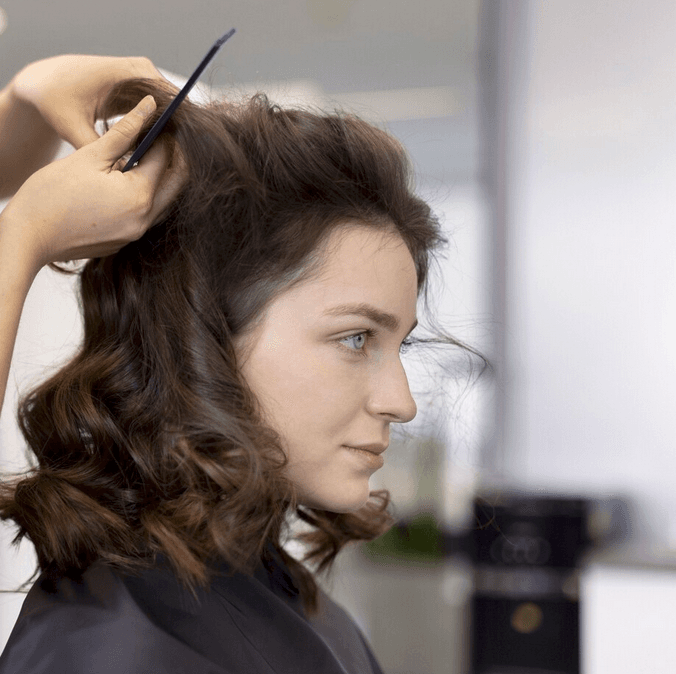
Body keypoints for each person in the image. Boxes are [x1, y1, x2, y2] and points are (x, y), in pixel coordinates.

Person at [0, 55, 487, 673]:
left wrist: (23, 101)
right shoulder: (116, 649)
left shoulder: (292, 608)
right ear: (202, 339)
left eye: (400, 346)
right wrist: (22, 233)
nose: (402, 402)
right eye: (356, 338)